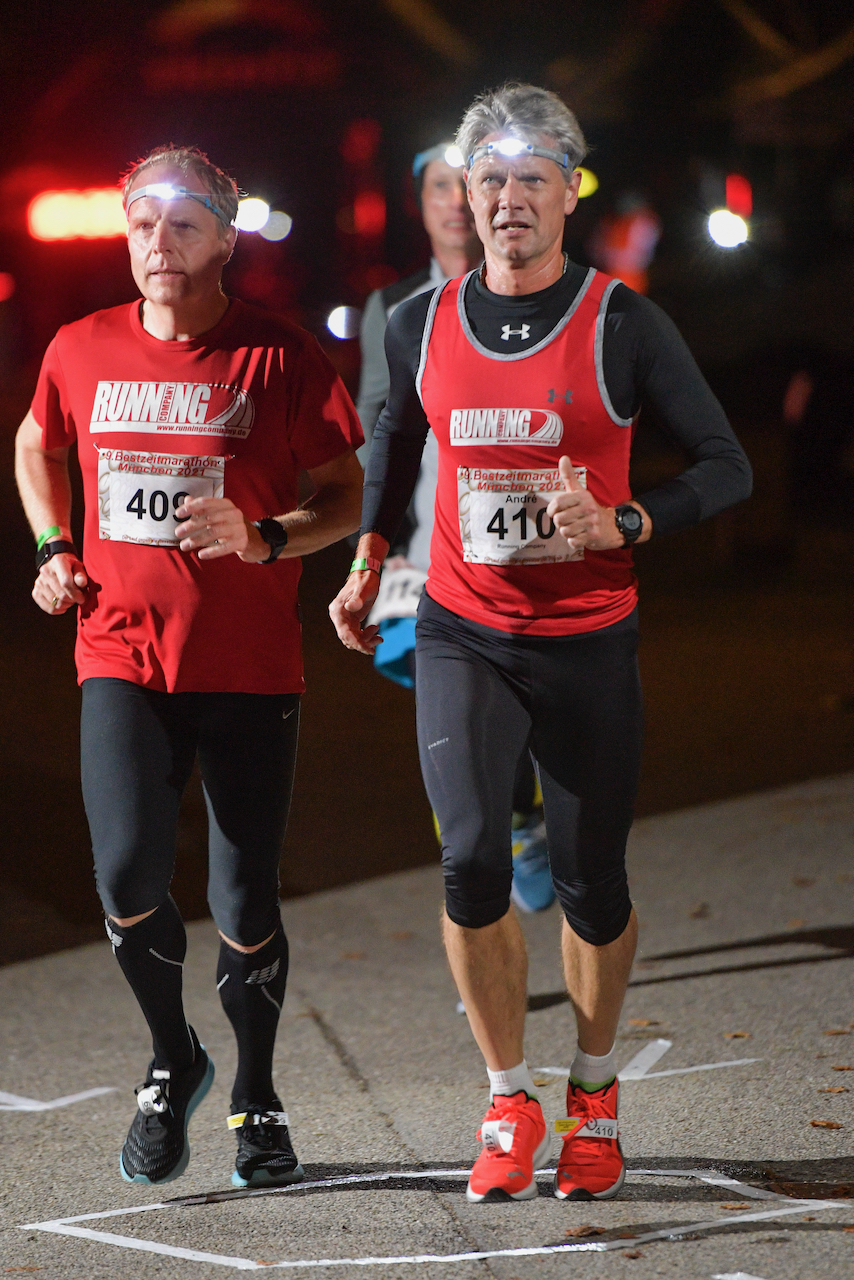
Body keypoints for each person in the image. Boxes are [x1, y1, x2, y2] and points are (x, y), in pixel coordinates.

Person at [331, 83, 752, 1205]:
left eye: (530, 177)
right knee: (468, 858)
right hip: (464, 630)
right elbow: (394, 435)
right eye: (488, 179)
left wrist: (625, 518)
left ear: (569, 190)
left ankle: (594, 1092)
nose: (507, 197)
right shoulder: (417, 319)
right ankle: (509, 1096)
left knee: (589, 886)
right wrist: (369, 553)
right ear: (462, 197)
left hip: (585, 639)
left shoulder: (620, 320)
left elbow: (725, 464)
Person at [15, 145, 363, 1189]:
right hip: (119, 650)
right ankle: (175, 1055)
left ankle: (256, 1090)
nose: (156, 245)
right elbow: (39, 442)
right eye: (140, 226)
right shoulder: (80, 346)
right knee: (123, 874)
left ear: (224, 238)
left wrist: (263, 536)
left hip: (249, 665)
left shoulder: (279, 355)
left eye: (180, 225)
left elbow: (342, 493)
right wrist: (52, 547)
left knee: (244, 893)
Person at [358, 141, 552, 913]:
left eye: (462, 183)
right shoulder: (397, 308)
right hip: (430, 554)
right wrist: (368, 551)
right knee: (450, 732)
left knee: (520, 718)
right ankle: (480, 915)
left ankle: (527, 812)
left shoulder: (542, 290)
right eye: (437, 186)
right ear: (425, 202)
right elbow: (380, 430)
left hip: (529, 545)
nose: (451, 201)